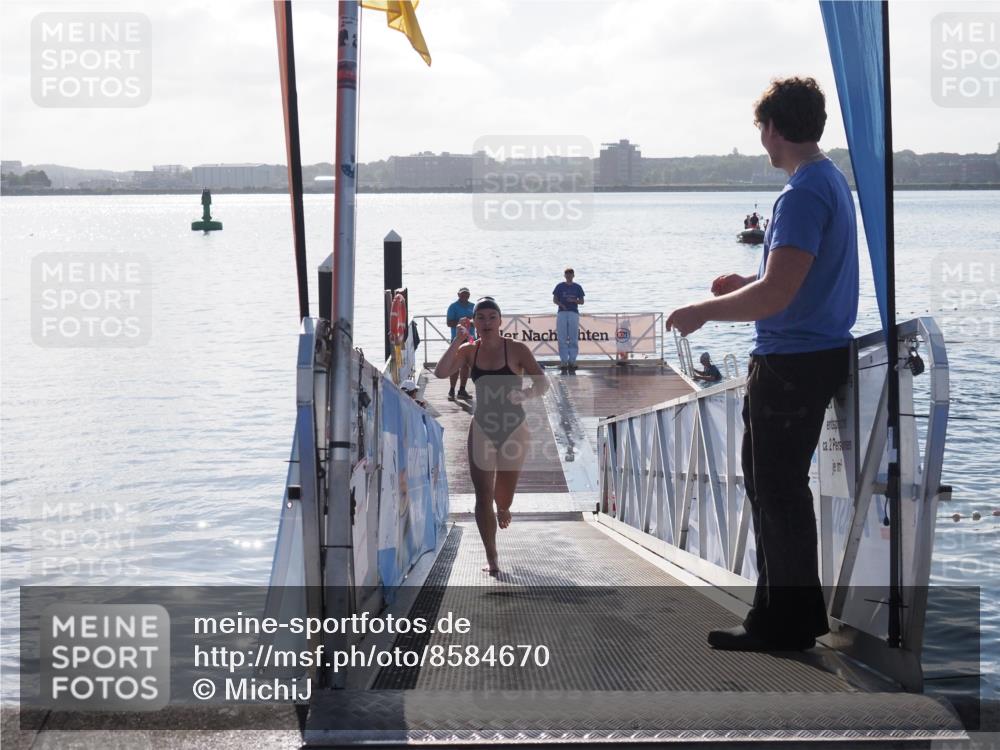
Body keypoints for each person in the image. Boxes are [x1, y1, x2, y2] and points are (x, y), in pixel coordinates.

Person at [666, 76, 858, 652]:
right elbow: (792, 281)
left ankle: (784, 622)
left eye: (762, 130)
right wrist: (744, 283)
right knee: (778, 488)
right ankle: (783, 615)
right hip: (817, 353)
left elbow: (777, 299)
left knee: (775, 490)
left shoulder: (800, 193)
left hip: (792, 362)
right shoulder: (831, 182)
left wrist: (704, 308)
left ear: (774, 128)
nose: (763, 142)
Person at [433, 297, 547, 574]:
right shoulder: (470, 351)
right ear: (473, 321)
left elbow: (542, 382)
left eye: (491, 317)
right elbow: (440, 372)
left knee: (502, 496)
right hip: (482, 426)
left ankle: (504, 507)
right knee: (482, 495)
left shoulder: (517, 349)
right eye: (480, 318)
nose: (486, 323)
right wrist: (457, 341)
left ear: (500, 320)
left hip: (514, 427)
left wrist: (526, 393)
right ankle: (492, 558)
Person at [445, 287, 475, 401]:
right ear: (458, 295)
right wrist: (461, 321)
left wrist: (470, 322)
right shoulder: (453, 306)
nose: (465, 296)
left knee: (466, 365)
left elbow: (477, 322)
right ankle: (451, 390)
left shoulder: (473, 306)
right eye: (462, 294)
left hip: (471, 338)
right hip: (457, 339)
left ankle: (462, 389)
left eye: (467, 294)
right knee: (455, 364)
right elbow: (449, 323)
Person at [552, 268, 585, 373]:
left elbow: (582, 301)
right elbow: (554, 299)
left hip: (573, 312)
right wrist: (561, 304)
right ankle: (563, 361)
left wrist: (574, 300)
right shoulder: (560, 286)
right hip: (562, 312)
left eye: (570, 274)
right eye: (567, 274)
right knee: (562, 337)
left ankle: (572, 361)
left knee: (573, 337)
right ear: (564, 276)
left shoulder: (577, 287)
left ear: (573, 275)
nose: (569, 276)